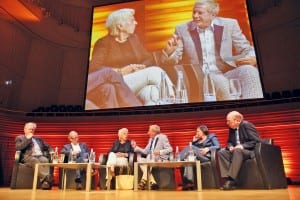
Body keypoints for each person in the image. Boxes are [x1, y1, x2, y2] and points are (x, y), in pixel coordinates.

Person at [164, 0, 263, 102]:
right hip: (200, 76)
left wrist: (253, 58)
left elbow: (246, 48)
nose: (195, 16)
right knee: (220, 82)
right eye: (194, 12)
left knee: (250, 71)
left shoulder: (230, 24)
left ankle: (254, 108)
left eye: (200, 13)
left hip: (225, 71)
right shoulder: (182, 29)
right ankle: (233, 112)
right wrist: (169, 53)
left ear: (213, 15)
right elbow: (175, 59)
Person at [88, 8, 174, 107]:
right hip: (118, 82)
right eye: (132, 20)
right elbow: (94, 67)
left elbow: (147, 58)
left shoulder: (133, 39)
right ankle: (175, 102)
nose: (136, 23)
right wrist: (120, 71)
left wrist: (140, 66)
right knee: (155, 71)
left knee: (152, 92)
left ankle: (150, 119)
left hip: (134, 83)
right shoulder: (103, 43)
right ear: (120, 26)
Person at [218, 111, 261, 190]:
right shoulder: (232, 128)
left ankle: (231, 179)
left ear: (237, 120)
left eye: (229, 121)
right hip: (237, 151)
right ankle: (227, 178)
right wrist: (230, 146)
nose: (227, 123)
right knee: (221, 152)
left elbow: (257, 141)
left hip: (249, 152)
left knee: (238, 151)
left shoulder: (247, 125)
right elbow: (229, 142)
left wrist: (242, 146)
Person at [131, 124, 173, 190]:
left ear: (154, 132)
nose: (148, 133)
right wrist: (135, 147)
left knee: (150, 158)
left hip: (160, 158)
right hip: (151, 159)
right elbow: (145, 151)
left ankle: (143, 180)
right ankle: (153, 182)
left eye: (149, 131)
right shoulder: (150, 140)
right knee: (140, 160)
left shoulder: (163, 137)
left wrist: (160, 152)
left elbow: (170, 149)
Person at [178, 125, 220, 190]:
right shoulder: (198, 141)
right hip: (198, 157)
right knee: (186, 161)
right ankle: (187, 183)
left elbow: (218, 146)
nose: (196, 133)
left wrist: (208, 148)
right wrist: (194, 141)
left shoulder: (211, 137)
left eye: (198, 131)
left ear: (203, 131)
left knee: (190, 147)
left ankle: (177, 159)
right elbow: (192, 151)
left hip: (206, 157)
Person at [15, 122, 53, 190]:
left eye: (33, 129)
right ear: (25, 129)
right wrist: (28, 139)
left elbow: (48, 146)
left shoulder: (38, 139)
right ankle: (47, 178)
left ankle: (45, 183)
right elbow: (19, 148)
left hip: (39, 156)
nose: (31, 131)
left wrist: (51, 151)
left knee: (45, 160)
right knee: (34, 160)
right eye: (30, 129)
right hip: (28, 157)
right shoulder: (19, 138)